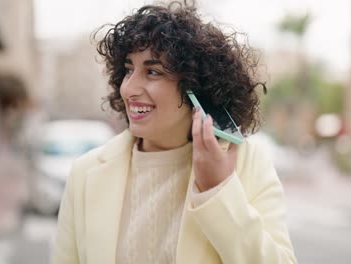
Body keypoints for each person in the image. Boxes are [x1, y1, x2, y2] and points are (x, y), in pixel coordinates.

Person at [52, 1, 297, 263]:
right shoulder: (84, 173)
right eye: (128, 70)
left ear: (195, 87)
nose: (128, 89)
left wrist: (217, 190)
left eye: (153, 72)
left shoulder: (247, 164)